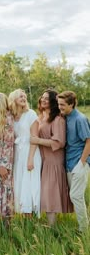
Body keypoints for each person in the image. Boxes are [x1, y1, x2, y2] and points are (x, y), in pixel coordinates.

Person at [31, 89, 73, 226]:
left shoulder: (58, 119)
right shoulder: (41, 117)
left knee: (50, 193)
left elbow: (59, 142)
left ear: (53, 102)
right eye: (42, 97)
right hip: (43, 160)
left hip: (54, 160)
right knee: (45, 192)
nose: (43, 100)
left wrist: (37, 140)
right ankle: (49, 224)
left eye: (47, 98)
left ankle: (51, 227)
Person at [58, 91, 90, 232]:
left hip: (79, 163)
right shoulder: (66, 117)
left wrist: (81, 163)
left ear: (71, 104)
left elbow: (88, 141)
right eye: (59, 104)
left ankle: (83, 229)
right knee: (75, 196)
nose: (60, 107)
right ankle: (82, 225)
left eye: (63, 105)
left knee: (76, 195)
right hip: (69, 163)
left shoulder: (80, 119)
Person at [8, 89, 41, 217]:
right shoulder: (11, 116)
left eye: (24, 96)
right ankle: (22, 215)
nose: (23, 98)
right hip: (18, 153)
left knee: (29, 184)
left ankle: (30, 216)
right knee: (19, 183)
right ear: (13, 99)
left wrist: (30, 159)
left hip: (30, 152)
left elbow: (34, 138)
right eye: (20, 96)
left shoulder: (31, 114)